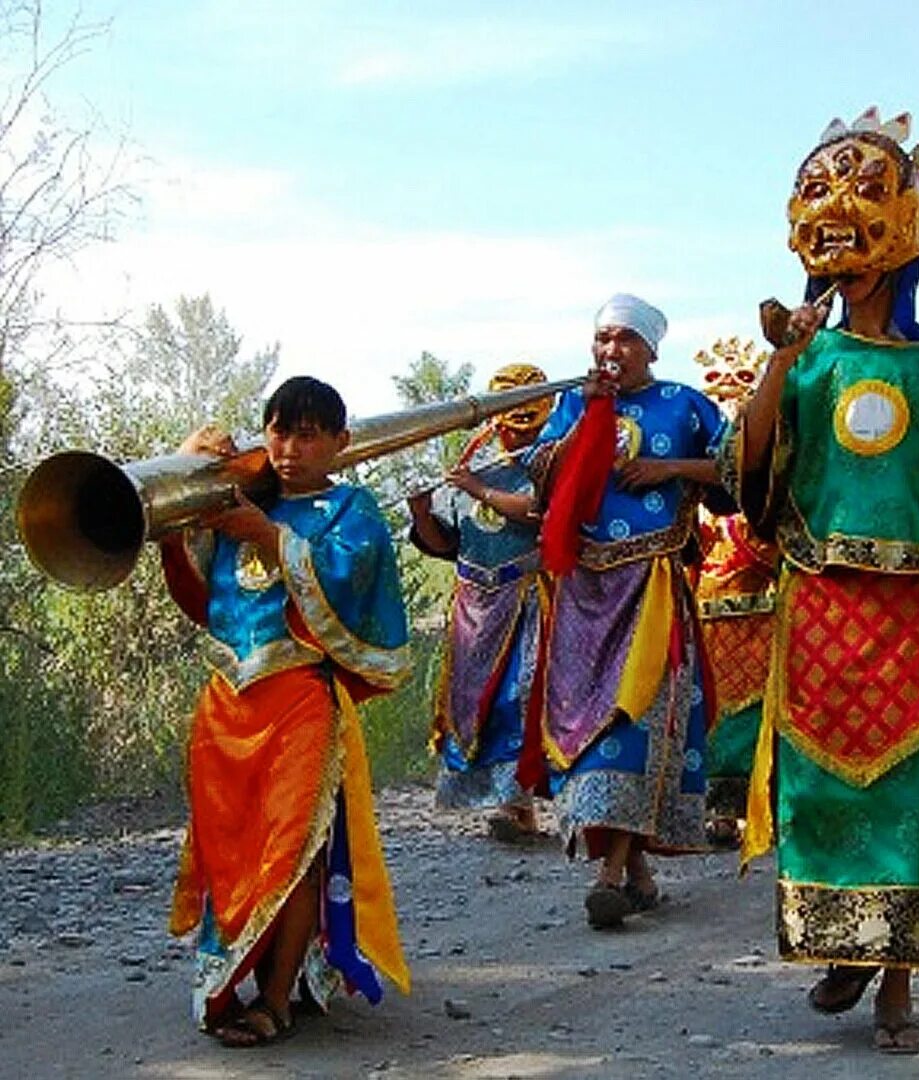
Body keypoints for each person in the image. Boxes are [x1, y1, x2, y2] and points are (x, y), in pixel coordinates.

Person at [736, 112, 919, 1052]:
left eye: (862, 242)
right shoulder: (808, 359)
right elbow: (752, 470)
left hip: (913, 611)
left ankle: (898, 983)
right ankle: (844, 947)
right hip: (817, 607)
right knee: (820, 789)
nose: (843, 262)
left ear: (897, 245)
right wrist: (784, 356)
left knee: (905, 789)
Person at [161, 376, 412, 1046]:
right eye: (278, 430)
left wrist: (269, 536)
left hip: (300, 698)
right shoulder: (240, 501)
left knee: (294, 851)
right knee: (230, 851)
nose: (289, 448)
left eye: (307, 434)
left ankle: (272, 1001)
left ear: (340, 442)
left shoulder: (350, 509)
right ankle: (246, 977)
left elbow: (349, 582)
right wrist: (172, 531)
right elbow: (203, 602)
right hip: (225, 705)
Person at [524, 293, 736, 929]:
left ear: (650, 349)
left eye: (623, 340)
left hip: (651, 587)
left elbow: (738, 469)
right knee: (589, 731)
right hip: (584, 590)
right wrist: (588, 421)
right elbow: (539, 479)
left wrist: (668, 466)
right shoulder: (572, 403)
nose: (610, 351)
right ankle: (636, 875)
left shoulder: (683, 404)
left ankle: (610, 873)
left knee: (636, 720)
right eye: (602, 340)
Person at [407, 363, 553, 841]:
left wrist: (477, 488)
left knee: (519, 695)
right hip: (473, 604)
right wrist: (421, 511)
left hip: (524, 599)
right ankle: (501, 802)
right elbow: (444, 542)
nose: (514, 431)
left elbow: (539, 512)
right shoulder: (476, 467)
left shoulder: (548, 463)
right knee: (473, 703)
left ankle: (517, 802)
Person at [693, 339, 778, 848]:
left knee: (758, 710)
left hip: (763, 604)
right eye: (719, 389)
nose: (728, 397)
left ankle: (761, 803)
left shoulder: (769, 456)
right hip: (706, 605)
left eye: (739, 387)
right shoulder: (696, 461)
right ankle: (718, 811)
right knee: (713, 710)